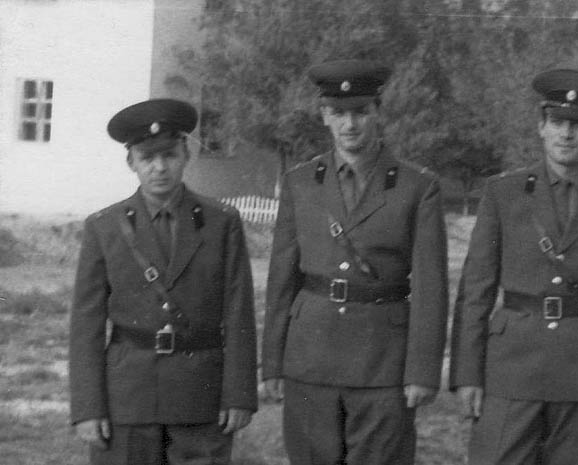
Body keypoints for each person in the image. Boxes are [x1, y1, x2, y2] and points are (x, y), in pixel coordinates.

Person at [449, 69, 578, 465]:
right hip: (510, 370)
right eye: (557, 122)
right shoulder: (504, 193)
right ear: (541, 127)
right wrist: (466, 374)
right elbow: (475, 291)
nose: (566, 134)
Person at [262, 59, 449, 465]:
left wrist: (422, 371)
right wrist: (273, 364)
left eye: (361, 112)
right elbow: (281, 280)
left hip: (383, 362)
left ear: (378, 112)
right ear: (324, 115)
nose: (350, 124)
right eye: (339, 112)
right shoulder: (300, 182)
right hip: (311, 357)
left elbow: (431, 286)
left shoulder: (417, 186)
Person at [69, 98, 257, 465]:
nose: (159, 167)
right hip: (128, 397)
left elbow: (239, 312)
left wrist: (239, 395)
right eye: (147, 158)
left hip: (200, 393)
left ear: (186, 154)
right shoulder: (104, 227)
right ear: (131, 162)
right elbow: (86, 324)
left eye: (169, 155)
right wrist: (88, 407)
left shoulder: (221, 222)